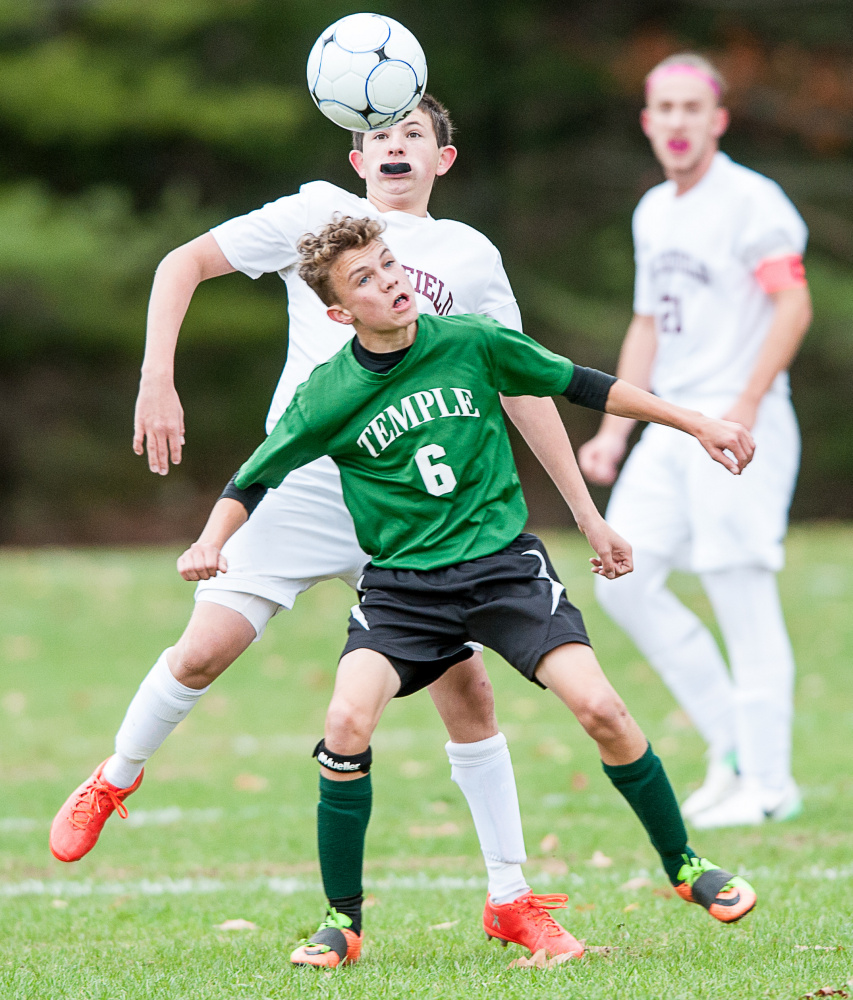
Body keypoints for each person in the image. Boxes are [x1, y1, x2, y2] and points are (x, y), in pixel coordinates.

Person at [50, 96, 621, 957]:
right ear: (354, 154)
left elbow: (522, 382)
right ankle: (114, 777)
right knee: (204, 647)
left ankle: (510, 898)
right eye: (378, 135)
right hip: (305, 490)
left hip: (410, 507)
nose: (395, 147)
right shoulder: (313, 217)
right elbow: (181, 264)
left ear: (443, 158)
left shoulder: (467, 255)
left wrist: (582, 509)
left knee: (467, 694)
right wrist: (155, 378)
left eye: (412, 135)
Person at [178, 214, 759, 968]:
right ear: (336, 313)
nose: (388, 281)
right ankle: (341, 922)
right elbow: (252, 478)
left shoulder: (470, 340)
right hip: (402, 590)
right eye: (365, 278)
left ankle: (684, 866)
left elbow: (584, 384)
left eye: (389, 264)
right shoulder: (328, 392)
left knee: (602, 709)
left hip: (502, 570)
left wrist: (694, 422)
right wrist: (210, 541)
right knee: (346, 721)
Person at [578, 54, 812, 829]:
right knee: (622, 580)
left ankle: (770, 783)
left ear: (716, 120)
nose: (676, 122)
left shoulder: (752, 201)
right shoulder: (654, 210)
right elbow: (647, 323)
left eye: (690, 108)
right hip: (673, 425)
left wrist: (742, 405)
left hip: (739, 424)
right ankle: (734, 750)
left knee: (736, 589)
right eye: (662, 109)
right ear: (647, 123)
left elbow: (791, 306)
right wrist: (614, 430)